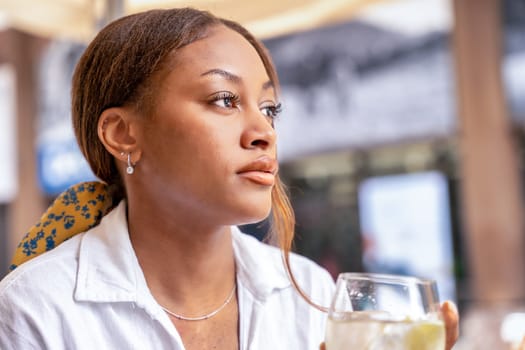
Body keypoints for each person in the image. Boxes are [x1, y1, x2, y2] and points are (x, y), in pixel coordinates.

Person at [0, 7, 459, 350]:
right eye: (223, 99)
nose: (263, 132)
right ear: (122, 134)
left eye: (269, 108)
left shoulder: (313, 294)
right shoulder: (36, 309)